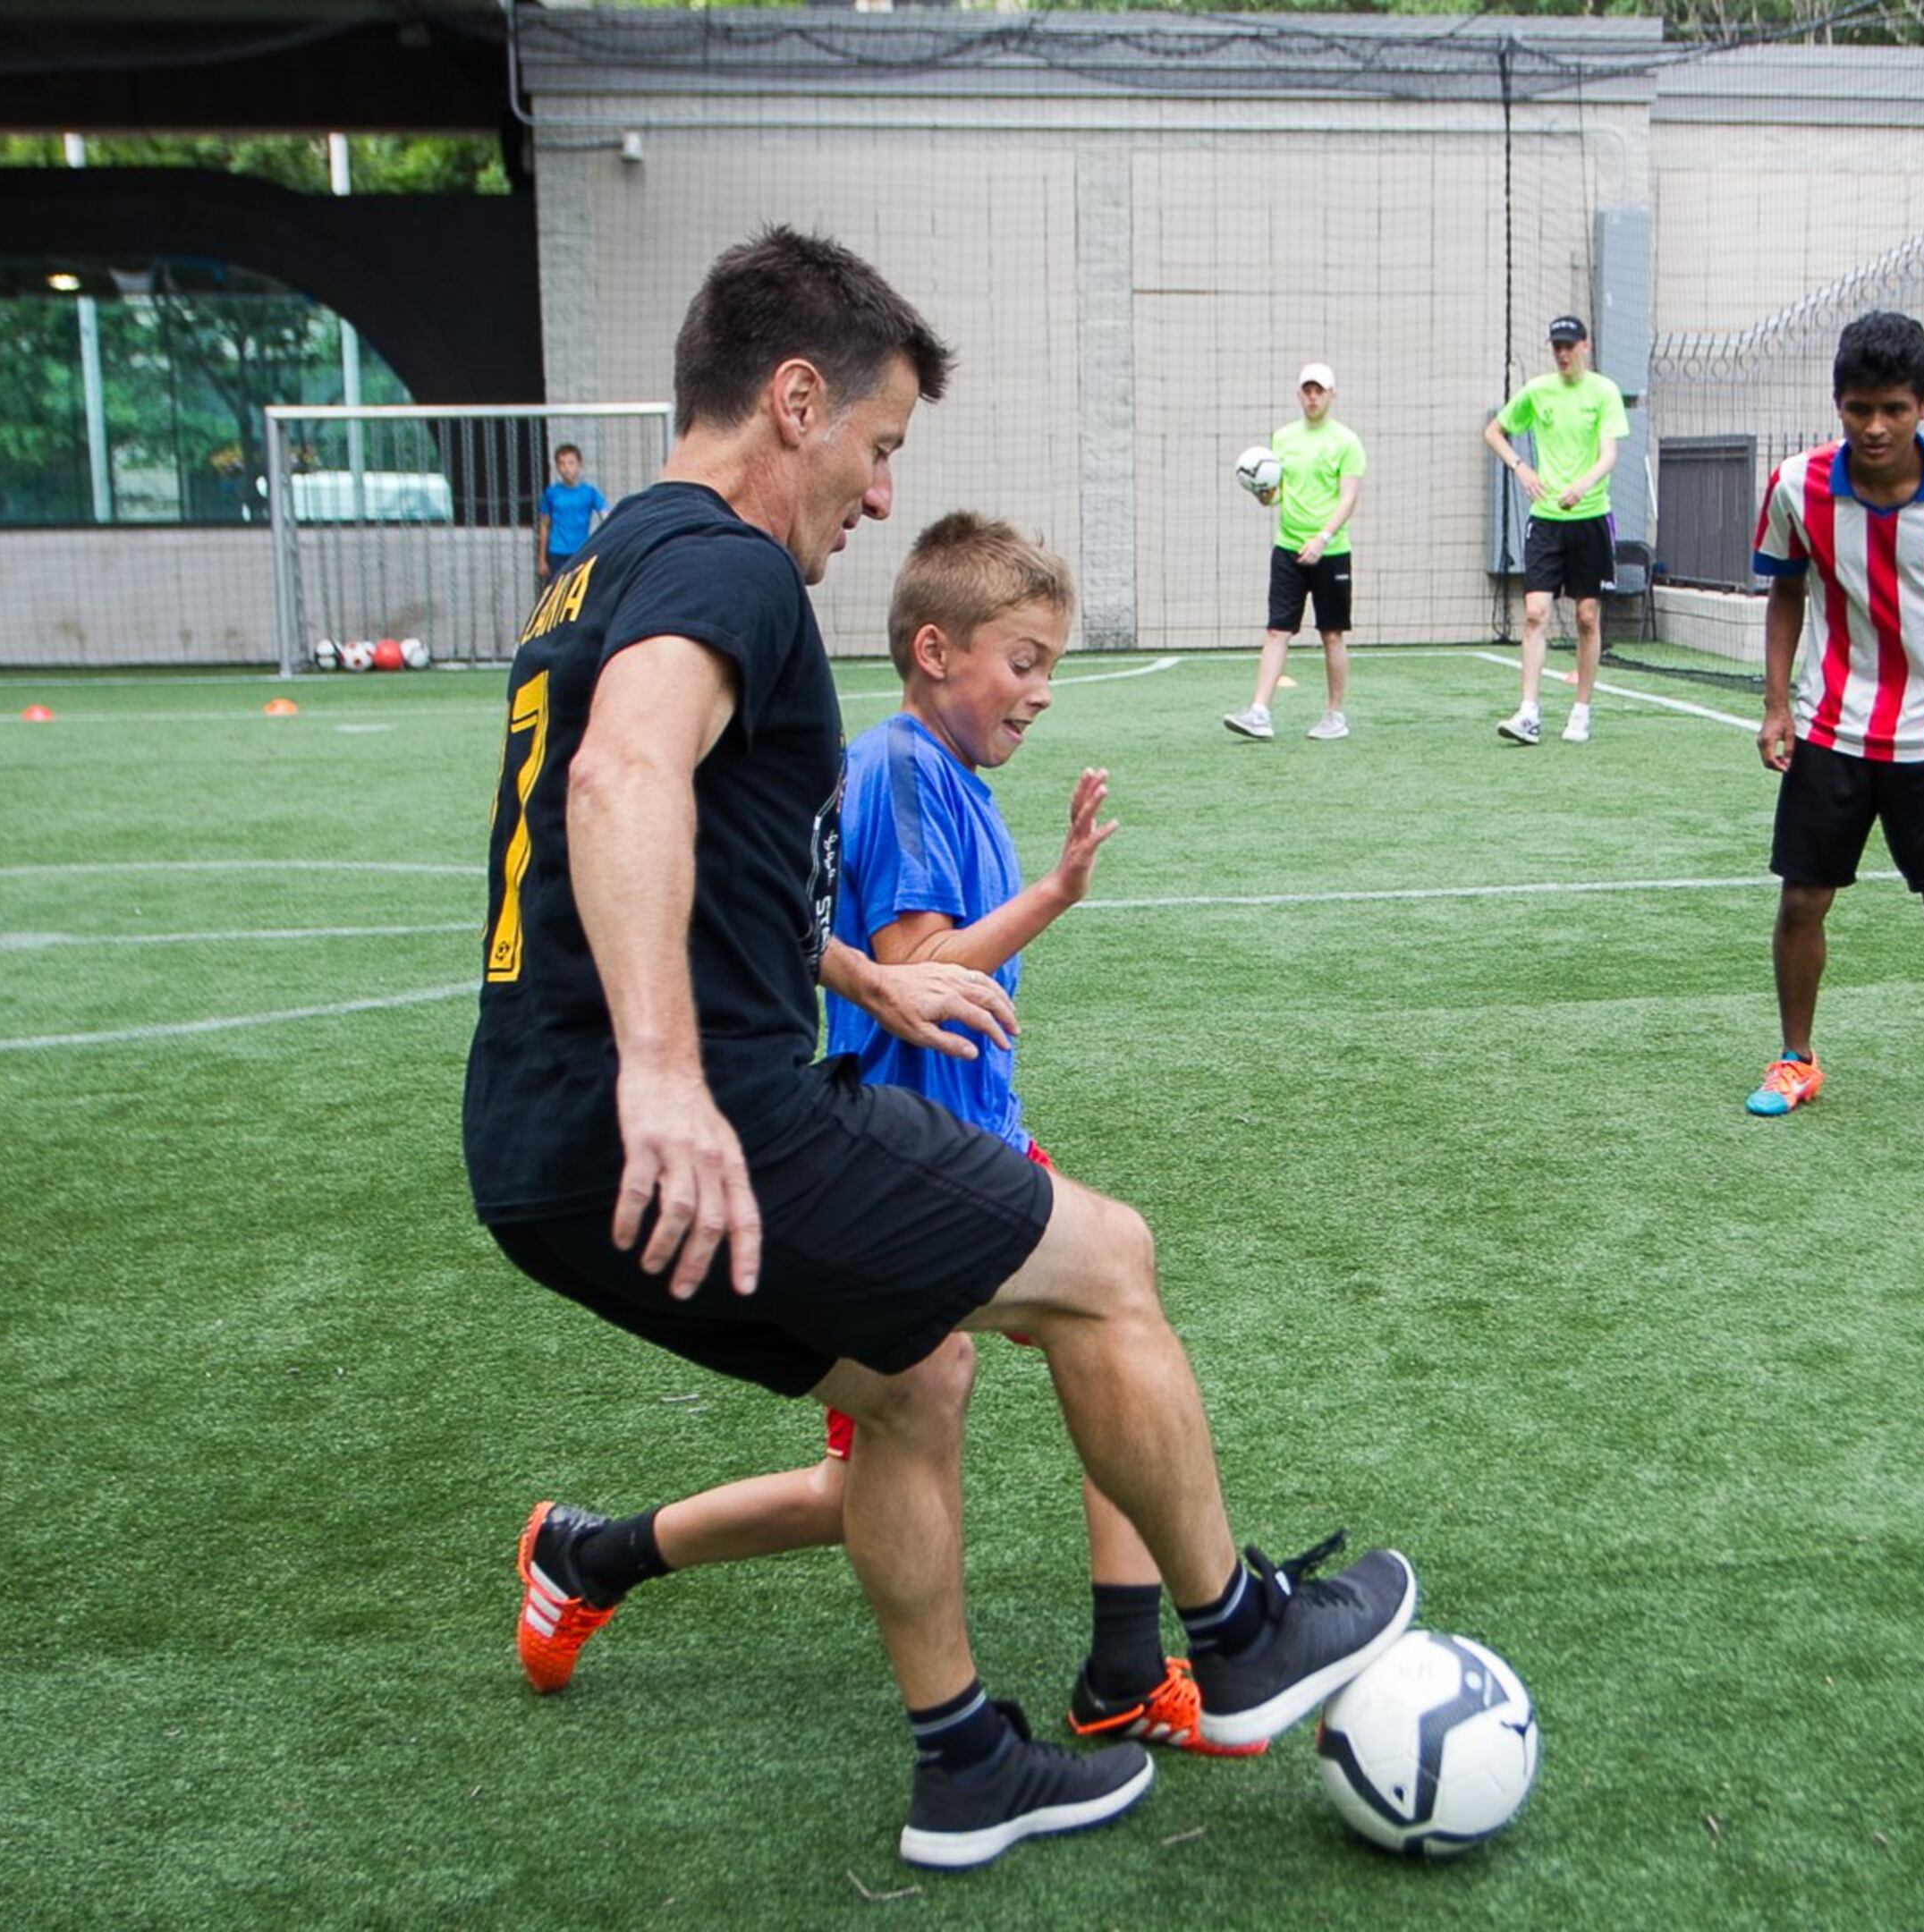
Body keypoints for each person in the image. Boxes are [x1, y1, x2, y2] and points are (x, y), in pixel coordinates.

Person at [465, 227, 1415, 1874]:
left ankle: (965, 1762)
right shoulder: (733, 566)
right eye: (882, 447)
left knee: (917, 1376)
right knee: (1106, 1263)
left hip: (533, 1150)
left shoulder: (607, 560)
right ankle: (1243, 1635)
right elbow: (621, 785)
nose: (884, 497)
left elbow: (669, 833)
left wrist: (859, 975)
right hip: (689, 1117)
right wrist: (671, 1075)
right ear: (793, 398)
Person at [520, 510, 1258, 1759]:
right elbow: (921, 965)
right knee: (1111, 1326)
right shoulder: (909, 769)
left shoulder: (938, 772)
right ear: (933, 649)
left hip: (947, 1134)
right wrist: (1051, 900)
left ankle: (593, 1554)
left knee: (880, 1471)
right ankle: (1132, 1668)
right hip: (908, 1148)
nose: (1041, 692)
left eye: (1052, 668)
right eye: (1022, 661)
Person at [1745, 309, 1924, 1140]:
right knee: (1802, 899)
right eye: (1859, 407)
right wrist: (1775, 702)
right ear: (1838, 403)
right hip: (1831, 727)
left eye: (1893, 408)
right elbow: (1786, 591)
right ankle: (1796, 1058)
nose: (1875, 426)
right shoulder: (1796, 485)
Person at [1482, 314, 1627, 746]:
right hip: (1546, 520)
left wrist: (1583, 485)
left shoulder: (1603, 392)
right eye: (1556, 346)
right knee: (1534, 613)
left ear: (1584, 346)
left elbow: (1609, 454)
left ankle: (1581, 710)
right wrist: (1520, 467)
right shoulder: (1537, 391)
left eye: (1569, 345)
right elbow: (1495, 431)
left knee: (1586, 616)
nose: (1562, 354)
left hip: (1590, 518)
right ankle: (1528, 712)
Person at [1220, 363, 1363, 742]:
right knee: (1276, 630)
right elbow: (1280, 493)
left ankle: (1335, 716)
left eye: (1319, 391)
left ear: (1332, 394)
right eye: (1307, 390)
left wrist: (1323, 539)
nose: (1312, 397)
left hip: (1330, 552)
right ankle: (1259, 712)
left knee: (1331, 633)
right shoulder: (1282, 438)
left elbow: (1348, 497)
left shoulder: (1347, 441)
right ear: (1299, 394)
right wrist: (1264, 493)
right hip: (1287, 548)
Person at [537, 442, 609, 586]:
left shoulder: (590, 492)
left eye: (571, 463)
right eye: (562, 464)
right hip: (557, 552)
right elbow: (544, 525)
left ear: (579, 465)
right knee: (557, 592)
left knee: (579, 592)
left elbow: (606, 519)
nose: (567, 468)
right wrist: (542, 559)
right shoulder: (551, 493)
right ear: (557, 467)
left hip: (581, 551)